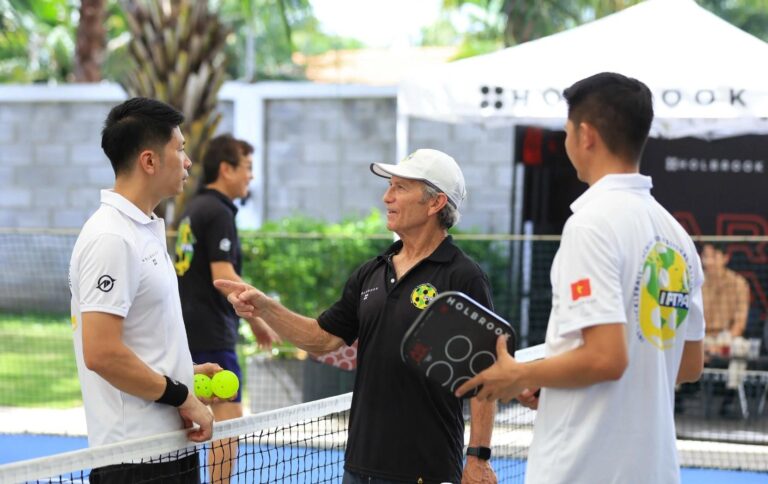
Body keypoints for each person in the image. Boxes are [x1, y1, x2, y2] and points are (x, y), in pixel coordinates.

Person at [456, 72, 706, 484]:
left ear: (586, 135)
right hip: (653, 470)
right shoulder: (677, 236)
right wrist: (556, 379)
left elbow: (607, 358)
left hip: (585, 467)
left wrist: (521, 375)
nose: (566, 140)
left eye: (567, 130)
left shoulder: (591, 225)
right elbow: (689, 365)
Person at [216, 149, 498, 483]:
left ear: (435, 203)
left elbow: (486, 374)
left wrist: (478, 457)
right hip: (359, 466)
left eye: (400, 188)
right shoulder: (372, 272)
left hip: (427, 468)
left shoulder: (463, 276)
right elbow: (322, 339)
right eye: (389, 186)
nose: (386, 197)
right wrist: (266, 308)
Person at [69, 97, 215, 483]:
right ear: (149, 161)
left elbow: (136, 341)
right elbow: (102, 352)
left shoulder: (143, 229)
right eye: (179, 149)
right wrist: (181, 395)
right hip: (135, 461)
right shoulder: (111, 238)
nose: (187, 161)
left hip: (169, 452)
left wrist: (184, 372)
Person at [175, 134, 279, 482]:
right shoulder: (218, 212)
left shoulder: (193, 208)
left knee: (186, 421)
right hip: (212, 335)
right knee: (229, 422)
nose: (251, 175)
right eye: (247, 167)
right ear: (226, 169)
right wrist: (260, 318)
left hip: (186, 331)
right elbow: (224, 277)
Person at [701, 243, 750, 339]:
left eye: (713, 256)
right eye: (705, 256)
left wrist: (724, 340)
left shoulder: (739, 284)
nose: (708, 262)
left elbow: (740, 323)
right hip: (700, 337)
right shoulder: (696, 282)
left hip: (728, 337)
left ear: (725, 258)